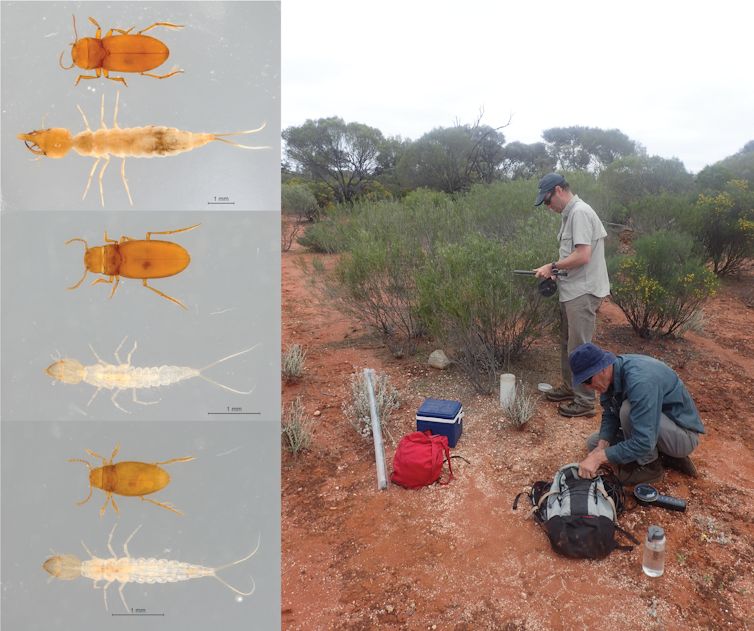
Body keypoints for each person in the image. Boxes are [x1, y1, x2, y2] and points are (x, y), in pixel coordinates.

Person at [569, 342, 706, 487]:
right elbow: (610, 414)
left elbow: (644, 441)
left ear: (602, 369)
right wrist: (604, 442)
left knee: (627, 410)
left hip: (683, 437)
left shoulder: (640, 381)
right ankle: (665, 456)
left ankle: (651, 467)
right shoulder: (611, 374)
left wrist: (598, 459)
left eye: (588, 380)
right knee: (593, 442)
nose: (587, 386)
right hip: (655, 428)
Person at [533, 173, 610, 418]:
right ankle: (570, 387)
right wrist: (556, 273)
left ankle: (586, 402)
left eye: (547, 200)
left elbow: (583, 255)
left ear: (558, 190)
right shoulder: (570, 214)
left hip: (583, 292)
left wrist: (553, 267)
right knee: (569, 345)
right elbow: (573, 256)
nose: (548, 206)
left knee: (579, 348)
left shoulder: (579, 212)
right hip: (572, 290)